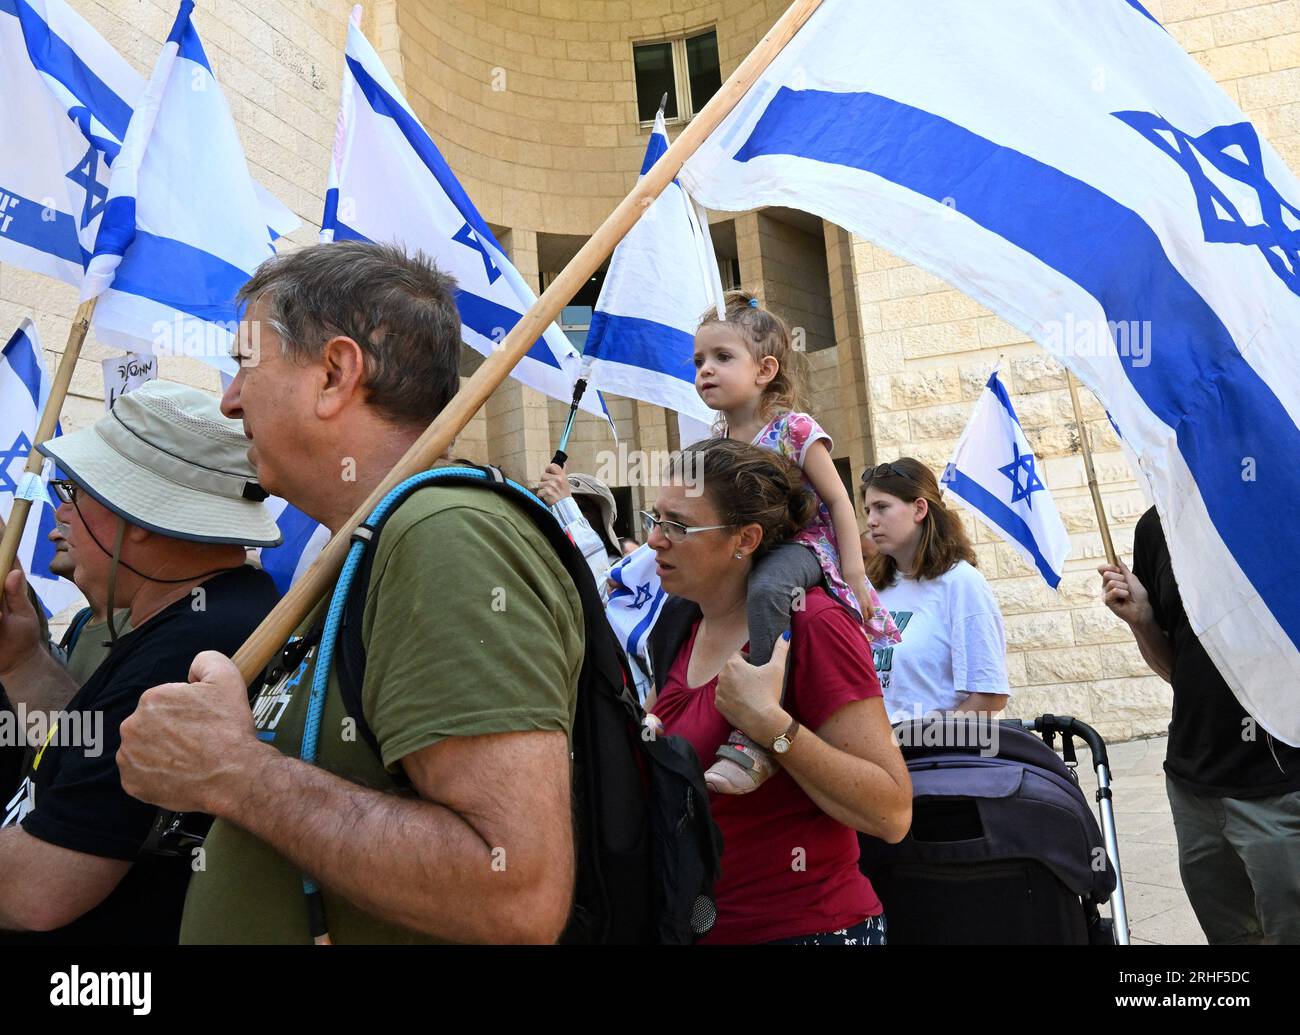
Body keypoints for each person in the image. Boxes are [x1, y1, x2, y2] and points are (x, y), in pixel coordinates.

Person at [116, 240, 584, 944]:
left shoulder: (444, 532)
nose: (230, 398)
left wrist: (235, 771)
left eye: (246, 363)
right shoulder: (368, 546)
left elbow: (514, 890)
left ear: (335, 373)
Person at [0, 381, 281, 943]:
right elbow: (89, 757)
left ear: (143, 516)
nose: (61, 510)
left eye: (75, 491)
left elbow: (39, 891)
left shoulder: (195, 646)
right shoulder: (204, 615)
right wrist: (22, 661)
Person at [644, 438, 911, 944]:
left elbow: (891, 811)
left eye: (677, 525)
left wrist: (773, 728)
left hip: (807, 931)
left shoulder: (814, 624)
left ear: (744, 538)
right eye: (653, 518)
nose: (656, 539)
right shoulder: (679, 623)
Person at [692, 290, 899, 794]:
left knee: (767, 592)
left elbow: (839, 500)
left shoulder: (793, 429)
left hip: (803, 545)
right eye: (698, 361)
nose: (705, 370)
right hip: (747, 547)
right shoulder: (716, 444)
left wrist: (853, 574)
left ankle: (758, 732)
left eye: (722, 358)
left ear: (765, 370)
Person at [1100, 507, 1300, 944]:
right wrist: (1142, 621)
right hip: (1195, 786)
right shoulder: (1158, 524)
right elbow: (1178, 668)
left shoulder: (1283, 492)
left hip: (1281, 785)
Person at [860, 458, 1010, 722]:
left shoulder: (961, 583)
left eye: (882, 507)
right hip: (876, 753)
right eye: (868, 510)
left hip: (933, 756)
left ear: (919, 509)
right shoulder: (872, 586)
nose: (871, 521)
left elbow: (989, 698)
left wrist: (922, 739)